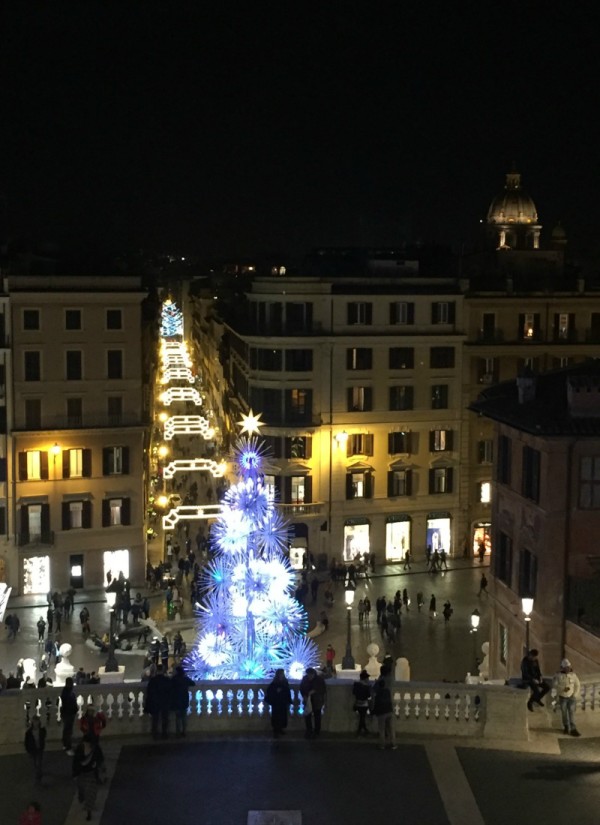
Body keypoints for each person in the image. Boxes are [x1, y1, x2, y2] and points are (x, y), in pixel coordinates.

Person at [72, 736, 101, 821]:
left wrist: (97, 766)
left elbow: (99, 759)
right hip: (82, 774)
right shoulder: (79, 750)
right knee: (83, 790)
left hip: (91, 774)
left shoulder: (95, 749)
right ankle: (83, 798)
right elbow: (75, 763)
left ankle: (89, 811)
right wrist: (75, 774)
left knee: (90, 792)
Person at [553, 659, 581, 736]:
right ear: (563, 668)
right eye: (566, 668)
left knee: (571, 713)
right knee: (564, 713)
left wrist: (575, 695)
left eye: (569, 667)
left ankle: (573, 729)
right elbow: (555, 685)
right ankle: (566, 727)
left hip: (571, 697)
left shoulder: (573, 675)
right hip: (563, 697)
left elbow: (577, 685)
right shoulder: (558, 675)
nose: (568, 669)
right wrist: (562, 689)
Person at [144, 664, 172, 739]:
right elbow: (170, 692)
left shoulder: (153, 680)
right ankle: (164, 733)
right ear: (163, 671)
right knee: (165, 718)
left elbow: (149, 692)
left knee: (155, 719)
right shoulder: (167, 680)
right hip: (164, 702)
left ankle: (155, 734)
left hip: (155, 702)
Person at [372, 665, 396, 750]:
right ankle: (393, 743)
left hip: (381, 709)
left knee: (381, 728)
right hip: (389, 707)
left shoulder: (379, 682)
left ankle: (382, 744)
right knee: (391, 728)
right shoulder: (390, 680)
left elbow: (373, 690)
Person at [299, 667, 326, 739]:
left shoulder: (319, 680)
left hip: (317, 700)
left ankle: (317, 731)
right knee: (307, 716)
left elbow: (323, 689)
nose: (309, 676)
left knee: (317, 716)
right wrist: (304, 695)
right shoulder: (305, 679)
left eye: (310, 675)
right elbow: (301, 688)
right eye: (308, 675)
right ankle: (309, 730)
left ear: (313, 674)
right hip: (308, 700)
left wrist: (315, 691)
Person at [265, 668, 292, 737]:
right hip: (276, 702)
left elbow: (287, 691)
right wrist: (276, 691)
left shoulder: (285, 682)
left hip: (283, 702)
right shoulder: (274, 683)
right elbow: (270, 691)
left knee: (282, 716)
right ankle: (276, 729)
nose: (281, 675)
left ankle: (280, 729)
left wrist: (288, 700)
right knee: (276, 716)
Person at [171, 665, 195, 737]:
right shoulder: (185, 679)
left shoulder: (174, 679)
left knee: (178, 717)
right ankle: (184, 731)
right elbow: (193, 683)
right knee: (184, 717)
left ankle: (178, 732)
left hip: (176, 699)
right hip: (184, 699)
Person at [24, 715, 46, 783]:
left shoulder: (42, 730)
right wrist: (28, 750)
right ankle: (38, 774)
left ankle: (38, 775)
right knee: (35, 763)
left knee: (38, 763)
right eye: (34, 722)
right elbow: (26, 742)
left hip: (39, 749)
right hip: (33, 749)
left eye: (37, 722)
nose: (36, 723)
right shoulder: (29, 732)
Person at [60, 677, 78, 755]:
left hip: (67, 713)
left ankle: (65, 745)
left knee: (66, 730)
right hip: (68, 713)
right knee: (68, 731)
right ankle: (68, 747)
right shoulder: (68, 693)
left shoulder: (66, 691)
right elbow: (70, 703)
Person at [352, 670, 372, 736]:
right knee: (362, 717)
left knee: (361, 717)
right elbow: (368, 695)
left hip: (357, 703)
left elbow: (354, 693)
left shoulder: (356, 685)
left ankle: (363, 729)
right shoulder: (366, 687)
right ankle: (361, 730)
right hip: (364, 704)